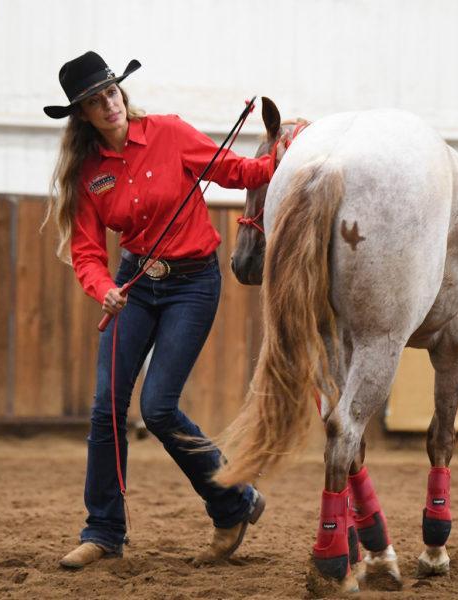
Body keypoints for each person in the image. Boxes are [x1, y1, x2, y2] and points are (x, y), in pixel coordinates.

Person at [43, 51, 284, 569]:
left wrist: (278, 161)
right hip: (134, 284)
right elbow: (86, 251)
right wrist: (102, 288)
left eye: (111, 92)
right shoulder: (88, 173)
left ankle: (231, 503)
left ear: (121, 93)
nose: (109, 104)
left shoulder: (169, 132)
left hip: (193, 284)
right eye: (95, 101)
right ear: (82, 114)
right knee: (105, 407)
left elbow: (236, 172)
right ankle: (103, 530)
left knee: (157, 408)